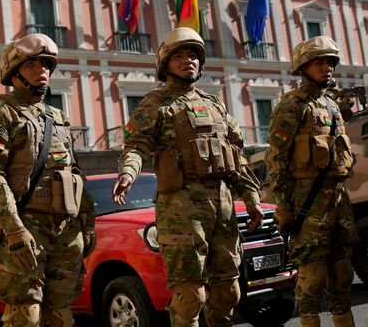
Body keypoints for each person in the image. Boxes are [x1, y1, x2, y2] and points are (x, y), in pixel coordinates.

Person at [112, 27, 264, 327]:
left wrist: (252, 197)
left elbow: (235, 156)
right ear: (165, 64)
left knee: (228, 290)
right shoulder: (155, 104)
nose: (188, 61)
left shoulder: (214, 105)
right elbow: (136, 146)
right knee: (189, 294)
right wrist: (129, 173)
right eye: (179, 56)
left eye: (193, 55)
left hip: (222, 207)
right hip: (181, 210)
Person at [0, 33, 96, 327]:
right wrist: (14, 230)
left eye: (46, 64)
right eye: (32, 65)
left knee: (61, 314)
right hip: (27, 230)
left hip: (67, 230)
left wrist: (88, 222)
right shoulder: (0, 114)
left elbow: (74, 172)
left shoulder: (58, 117)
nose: (42, 70)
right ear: (14, 73)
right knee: (26, 315)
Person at [266, 36, 356, 327]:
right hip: (307, 202)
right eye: (319, 63)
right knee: (313, 274)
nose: (327, 68)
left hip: (338, 199)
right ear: (303, 68)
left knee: (342, 271)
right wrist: (282, 204)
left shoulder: (331, 106)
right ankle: (309, 320)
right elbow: (276, 158)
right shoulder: (292, 106)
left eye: (330, 62)